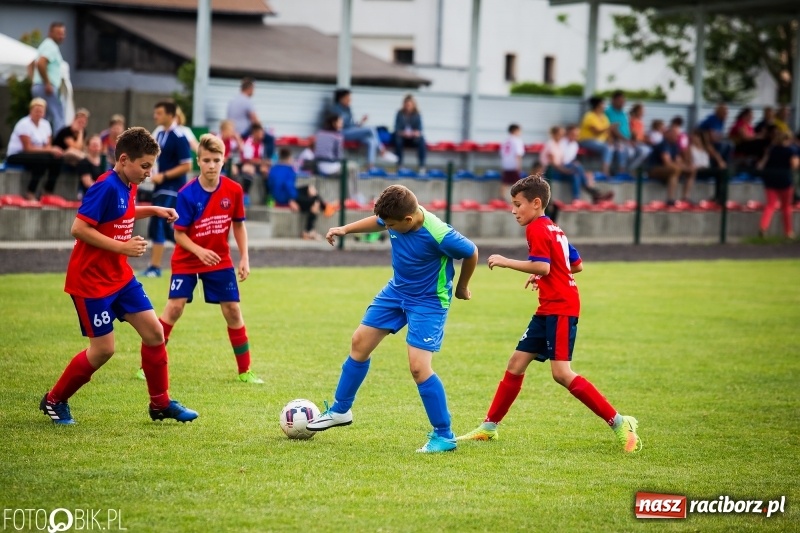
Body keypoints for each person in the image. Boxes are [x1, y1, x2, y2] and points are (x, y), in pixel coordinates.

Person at [457, 174, 641, 454]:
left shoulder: (536, 229)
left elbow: (542, 267)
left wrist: (507, 262)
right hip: (549, 307)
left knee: (562, 373)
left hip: (561, 307)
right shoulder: (555, 228)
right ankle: (489, 427)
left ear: (536, 202)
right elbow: (575, 265)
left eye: (518, 204)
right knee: (516, 363)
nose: (513, 210)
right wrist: (544, 276)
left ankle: (619, 423)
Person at [39, 126, 198, 425]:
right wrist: (122, 246)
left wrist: (155, 210)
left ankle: (160, 404)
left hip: (119, 277)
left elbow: (124, 212)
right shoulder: (105, 186)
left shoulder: (127, 183)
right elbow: (79, 229)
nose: (149, 173)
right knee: (103, 350)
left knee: (154, 333)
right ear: (124, 159)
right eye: (145, 166)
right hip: (91, 282)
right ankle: (54, 400)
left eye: (151, 166)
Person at [306, 184, 479, 453]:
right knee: (359, 342)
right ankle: (341, 410)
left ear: (408, 221)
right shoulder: (397, 217)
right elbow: (378, 221)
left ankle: (444, 436)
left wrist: (462, 286)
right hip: (397, 290)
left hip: (429, 302)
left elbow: (470, 251)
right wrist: (345, 229)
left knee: (419, 368)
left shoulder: (439, 234)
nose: (386, 228)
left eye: (391, 226)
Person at [136, 134, 263, 384]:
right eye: (207, 160)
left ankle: (245, 371)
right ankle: (146, 365)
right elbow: (179, 234)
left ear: (224, 161)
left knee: (233, 311)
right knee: (174, 308)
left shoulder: (234, 190)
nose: (212, 165)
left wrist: (245, 258)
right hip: (187, 259)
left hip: (218, 259)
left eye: (216, 160)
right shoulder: (186, 194)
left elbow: (239, 226)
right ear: (199, 161)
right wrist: (199, 251)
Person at [143, 101, 193, 278]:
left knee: (158, 223)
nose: (155, 116)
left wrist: (163, 176)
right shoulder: (160, 134)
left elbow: (187, 165)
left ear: (170, 115)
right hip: (160, 186)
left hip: (172, 188)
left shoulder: (178, 136)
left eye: (159, 113)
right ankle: (193, 251)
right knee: (165, 229)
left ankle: (155, 267)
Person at [5, 98, 63, 200]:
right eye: (36, 110)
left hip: (38, 154)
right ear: (30, 111)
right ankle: (30, 191)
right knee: (42, 160)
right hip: (16, 154)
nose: (38, 113)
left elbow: (48, 146)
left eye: (41, 111)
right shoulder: (23, 124)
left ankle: (48, 191)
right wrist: (50, 150)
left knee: (57, 158)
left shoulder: (46, 124)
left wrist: (53, 151)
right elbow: (28, 148)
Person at [269, 148, 332, 240]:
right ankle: (308, 231)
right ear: (289, 158)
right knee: (315, 202)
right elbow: (288, 186)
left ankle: (324, 207)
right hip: (287, 197)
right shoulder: (289, 170)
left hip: (279, 195)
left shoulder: (273, 169)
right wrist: (290, 200)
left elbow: (273, 185)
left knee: (309, 188)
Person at [541, 126, 612, 203]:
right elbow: (554, 164)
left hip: (563, 168)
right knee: (576, 167)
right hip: (552, 171)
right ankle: (591, 190)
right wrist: (566, 170)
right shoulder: (554, 144)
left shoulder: (572, 145)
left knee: (576, 174)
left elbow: (567, 161)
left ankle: (576, 199)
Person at [331, 88, 397, 169]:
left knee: (371, 141)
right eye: (348, 98)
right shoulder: (335, 109)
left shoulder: (348, 109)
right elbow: (337, 125)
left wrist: (361, 122)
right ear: (341, 98)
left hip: (351, 132)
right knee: (371, 129)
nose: (350, 100)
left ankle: (370, 166)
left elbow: (353, 125)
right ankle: (383, 151)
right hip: (342, 133)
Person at [756, 127, 797, 239]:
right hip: (785, 180)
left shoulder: (771, 149)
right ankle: (788, 232)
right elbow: (794, 165)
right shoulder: (790, 150)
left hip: (770, 180)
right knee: (786, 207)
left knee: (770, 205)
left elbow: (762, 164)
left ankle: (763, 227)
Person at [646, 124, 696, 206]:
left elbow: (678, 160)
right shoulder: (664, 144)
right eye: (674, 134)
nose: (676, 136)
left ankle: (685, 198)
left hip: (668, 169)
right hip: (654, 169)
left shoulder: (675, 145)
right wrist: (681, 167)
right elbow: (667, 162)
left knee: (691, 170)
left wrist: (686, 167)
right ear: (668, 133)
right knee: (675, 170)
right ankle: (670, 199)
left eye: (677, 134)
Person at [226, 77, 275, 160]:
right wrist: (261, 131)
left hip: (232, 132)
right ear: (250, 89)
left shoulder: (233, 100)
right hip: (243, 133)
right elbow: (255, 120)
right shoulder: (247, 101)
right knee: (269, 139)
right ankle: (267, 161)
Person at [31, 22, 66, 133]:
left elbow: (31, 64)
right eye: (58, 33)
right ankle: (60, 145)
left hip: (40, 86)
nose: (61, 36)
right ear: (50, 33)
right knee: (58, 116)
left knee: (43, 118)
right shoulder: (51, 46)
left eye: (63, 34)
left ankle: (42, 144)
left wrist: (34, 82)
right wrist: (47, 83)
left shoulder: (45, 45)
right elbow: (40, 63)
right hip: (46, 87)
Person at [578, 96, 613, 177]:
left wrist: (610, 140)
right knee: (607, 148)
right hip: (586, 141)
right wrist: (608, 128)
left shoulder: (604, 117)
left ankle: (618, 171)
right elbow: (596, 131)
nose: (604, 106)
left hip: (600, 142)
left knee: (616, 148)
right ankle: (605, 172)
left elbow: (607, 133)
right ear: (598, 105)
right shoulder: (589, 116)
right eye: (603, 104)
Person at [393, 94, 427, 172]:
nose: (407, 106)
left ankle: (422, 166)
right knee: (397, 140)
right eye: (406, 104)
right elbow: (397, 129)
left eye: (409, 105)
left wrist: (414, 133)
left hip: (412, 139)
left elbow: (420, 130)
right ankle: (399, 165)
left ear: (413, 105)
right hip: (402, 138)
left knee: (422, 140)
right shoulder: (399, 114)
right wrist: (403, 133)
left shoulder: (417, 114)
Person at [239, 124, 270, 204]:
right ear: (255, 133)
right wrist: (261, 162)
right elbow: (248, 159)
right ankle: (245, 194)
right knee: (249, 169)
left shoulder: (261, 144)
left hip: (257, 164)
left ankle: (267, 196)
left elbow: (261, 157)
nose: (262, 136)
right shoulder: (248, 142)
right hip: (246, 163)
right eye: (260, 133)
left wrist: (265, 163)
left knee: (266, 171)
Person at [500, 123, 525, 199]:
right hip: (514, 164)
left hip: (506, 164)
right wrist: (519, 166)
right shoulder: (517, 140)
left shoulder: (505, 141)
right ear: (515, 130)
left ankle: (502, 197)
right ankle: (518, 198)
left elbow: (502, 153)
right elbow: (518, 154)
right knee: (517, 183)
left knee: (505, 182)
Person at [76, 135, 105, 199]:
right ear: (88, 147)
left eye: (97, 145)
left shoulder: (105, 161)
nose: (96, 148)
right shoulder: (83, 162)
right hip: (89, 194)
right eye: (94, 145)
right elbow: (87, 183)